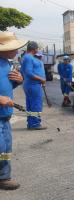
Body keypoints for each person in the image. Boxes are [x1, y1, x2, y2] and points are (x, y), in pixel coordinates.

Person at [0, 32, 26, 190]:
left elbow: (9, 86)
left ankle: (3, 177)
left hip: (5, 117)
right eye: (13, 48)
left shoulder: (7, 64)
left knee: (6, 149)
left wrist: (19, 81)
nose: (17, 52)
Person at [21, 41, 47, 130]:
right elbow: (29, 73)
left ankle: (31, 123)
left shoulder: (27, 57)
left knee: (30, 105)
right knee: (36, 104)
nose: (37, 50)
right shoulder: (29, 58)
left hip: (30, 85)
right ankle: (35, 124)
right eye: (37, 48)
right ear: (34, 49)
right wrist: (41, 79)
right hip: (33, 85)